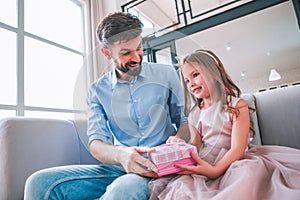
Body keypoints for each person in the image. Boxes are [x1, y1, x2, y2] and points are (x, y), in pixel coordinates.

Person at [24, 12, 189, 200]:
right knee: (39, 183)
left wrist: (177, 142)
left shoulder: (166, 74)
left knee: (123, 189)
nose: (136, 57)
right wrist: (122, 156)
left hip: (155, 165)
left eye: (139, 47)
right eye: (126, 53)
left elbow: (184, 122)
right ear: (106, 53)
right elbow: (96, 144)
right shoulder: (96, 91)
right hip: (117, 166)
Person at [148, 50, 300, 199]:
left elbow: (237, 149)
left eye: (195, 75)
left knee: (246, 177)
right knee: (182, 189)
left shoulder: (236, 105)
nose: (191, 83)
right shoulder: (195, 114)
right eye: (187, 80)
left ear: (213, 74)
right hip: (206, 163)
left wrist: (214, 171)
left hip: (235, 162)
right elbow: (195, 147)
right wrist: (180, 147)